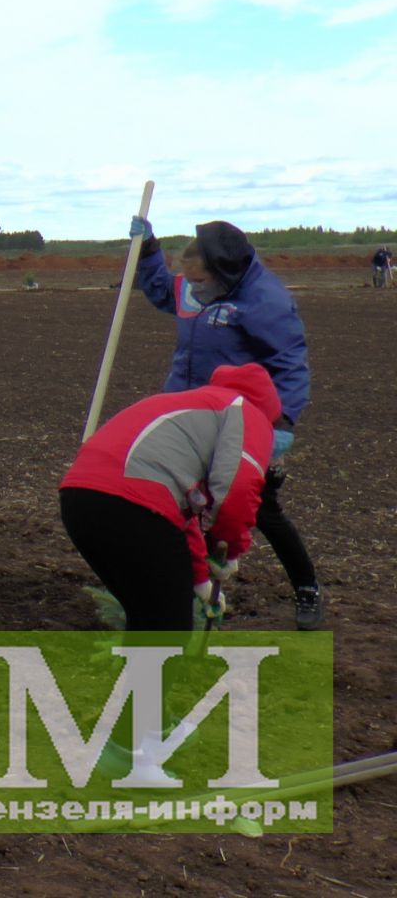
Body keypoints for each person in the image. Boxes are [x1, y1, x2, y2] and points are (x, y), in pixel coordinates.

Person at [132, 217, 322, 628]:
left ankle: (308, 588)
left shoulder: (263, 298)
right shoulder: (191, 286)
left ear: (224, 272)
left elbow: (289, 362)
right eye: (190, 281)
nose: (194, 291)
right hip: (185, 413)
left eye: (201, 283)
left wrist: (282, 423)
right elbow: (163, 290)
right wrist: (148, 250)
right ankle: (180, 596)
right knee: (175, 505)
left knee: (260, 510)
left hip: (237, 419)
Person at [61, 363, 277, 632]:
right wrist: (229, 550)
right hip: (133, 506)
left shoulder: (188, 408)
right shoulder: (247, 412)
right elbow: (238, 490)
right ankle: (161, 674)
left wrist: (201, 583)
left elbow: (178, 516)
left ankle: (142, 673)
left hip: (78, 498)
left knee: (147, 616)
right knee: (167, 628)